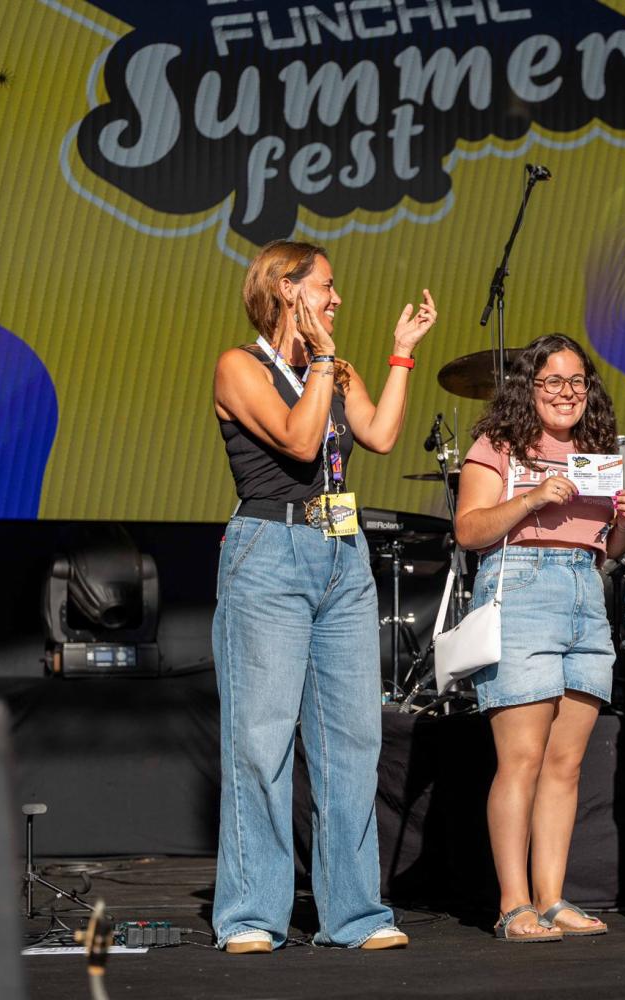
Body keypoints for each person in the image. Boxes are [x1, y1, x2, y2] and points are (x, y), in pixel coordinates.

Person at [210, 239, 437, 953]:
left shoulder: (334, 368)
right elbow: (301, 443)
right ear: (287, 288)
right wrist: (322, 362)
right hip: (269, 550)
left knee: (352, 740)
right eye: (326, 286)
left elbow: (377, 433)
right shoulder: (239, 367)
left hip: (342, 553)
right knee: (262, 737)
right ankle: (252, 914)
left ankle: (355, 914)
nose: (337, 297)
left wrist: (400, 355)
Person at [454, 334, 625, 942]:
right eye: (553, 382)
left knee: (566, 764)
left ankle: (553, 898)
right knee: (523, 759)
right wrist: (531, 498)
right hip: (523, 589)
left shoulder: (599, 452)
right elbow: (468, 529)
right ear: (528, 388)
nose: (568, 393)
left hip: (586, 594)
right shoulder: (500, 445)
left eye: (578, 382)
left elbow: (607, 553)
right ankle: (514, 905)